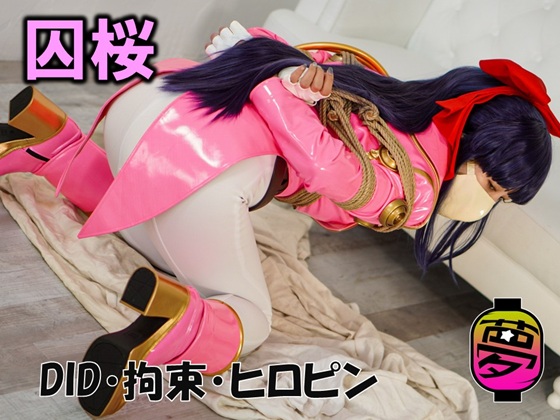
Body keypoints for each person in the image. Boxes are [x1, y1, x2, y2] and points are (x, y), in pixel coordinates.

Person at [1, 22, 558, 416]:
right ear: (471, 145)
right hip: (202, 161)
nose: (486, 205)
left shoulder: (373, 86)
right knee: (253, 317)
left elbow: (291, 75)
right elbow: (324, 163)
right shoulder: (412, 190)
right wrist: (274, 84)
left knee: (149, 204)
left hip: (149, 100)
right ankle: (167, 333)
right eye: (492, 186)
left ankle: (50, 144)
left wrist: (266, 61)